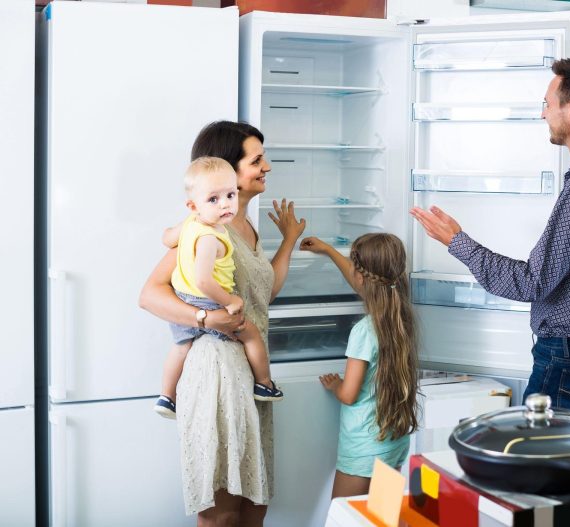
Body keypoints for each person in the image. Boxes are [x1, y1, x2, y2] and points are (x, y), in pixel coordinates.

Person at [410, 57, 570, 424]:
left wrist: (456, 241)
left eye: (547, 104)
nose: (543, 114)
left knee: (541, 465)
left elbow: (532, 282)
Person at [139, 120, 305, 526]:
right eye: (257, 159)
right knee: (223, 511)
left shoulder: (245, 224)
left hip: (248, 376)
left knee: (254, 504)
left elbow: (261, 294)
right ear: (228, 168)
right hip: (217, 372)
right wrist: (206, 317)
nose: (266, 166)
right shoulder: (206, 226)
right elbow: (149, 294)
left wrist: (288, 241)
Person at [154, 157, 283, 420]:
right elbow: (204, 280)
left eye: (230, 195)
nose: (225, 204)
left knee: (180, 346)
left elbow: (167, 237)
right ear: (194, 205)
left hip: (184, 298)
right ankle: (265, 384)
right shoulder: (211, 237)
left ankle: (167, 397)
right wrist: (230, 300)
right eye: (213, 199)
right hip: (207, 299)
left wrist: (178, 230)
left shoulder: (191, 222)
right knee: (251, 333)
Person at [300, 233, 419, 498]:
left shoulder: (364, 331)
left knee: (343, 515)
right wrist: (330, 250)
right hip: (393, 441)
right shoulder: (402, 317)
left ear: (361, 277)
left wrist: (336, 385)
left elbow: (349, 394)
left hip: (363, 446)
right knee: (380, 519)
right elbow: (365, 283)